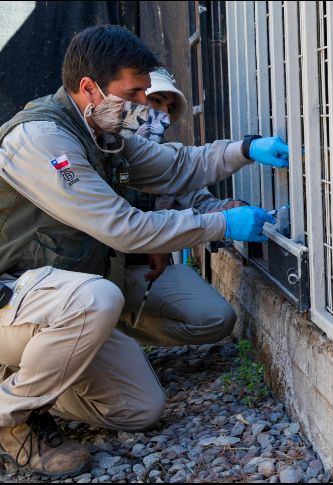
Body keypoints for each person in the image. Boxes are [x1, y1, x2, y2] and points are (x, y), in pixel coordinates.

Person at [0, 25, 289, 478]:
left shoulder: (101, 132)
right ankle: (9, 419)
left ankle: (33, 377)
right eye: (133, 92)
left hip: (57, 298)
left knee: (140, 409)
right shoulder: (42, 141)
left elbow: (178, 166)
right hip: (13, 301)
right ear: (89, 88)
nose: (141, 105)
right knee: (98, 299)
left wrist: (246, 149)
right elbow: (124, 230)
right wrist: (221, 223)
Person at [110, 68, 246, 347]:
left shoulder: (166, 157)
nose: (163, 114)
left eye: (169, 108)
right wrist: (155, 237)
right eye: (155, 100)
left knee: (217, 318)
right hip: (96, 270)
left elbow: (198, 201)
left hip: (143, 272)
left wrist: (229, 211)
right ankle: (101, 337)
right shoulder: (102, 150)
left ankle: (124, 334)